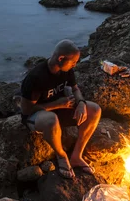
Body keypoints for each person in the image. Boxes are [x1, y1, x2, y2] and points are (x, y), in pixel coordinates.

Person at [20, 39, 101, 179]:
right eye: (73, 61)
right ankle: (61, 155)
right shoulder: (36, 77)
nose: (75, 64)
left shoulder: (66, 70)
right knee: (51, 119)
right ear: (61, 58)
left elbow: (75, 89)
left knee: (94, 109)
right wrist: (57, 104)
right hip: (37, 117)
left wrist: (81, 102)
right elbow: (27, 110)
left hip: (59, 109)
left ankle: (76, 156)